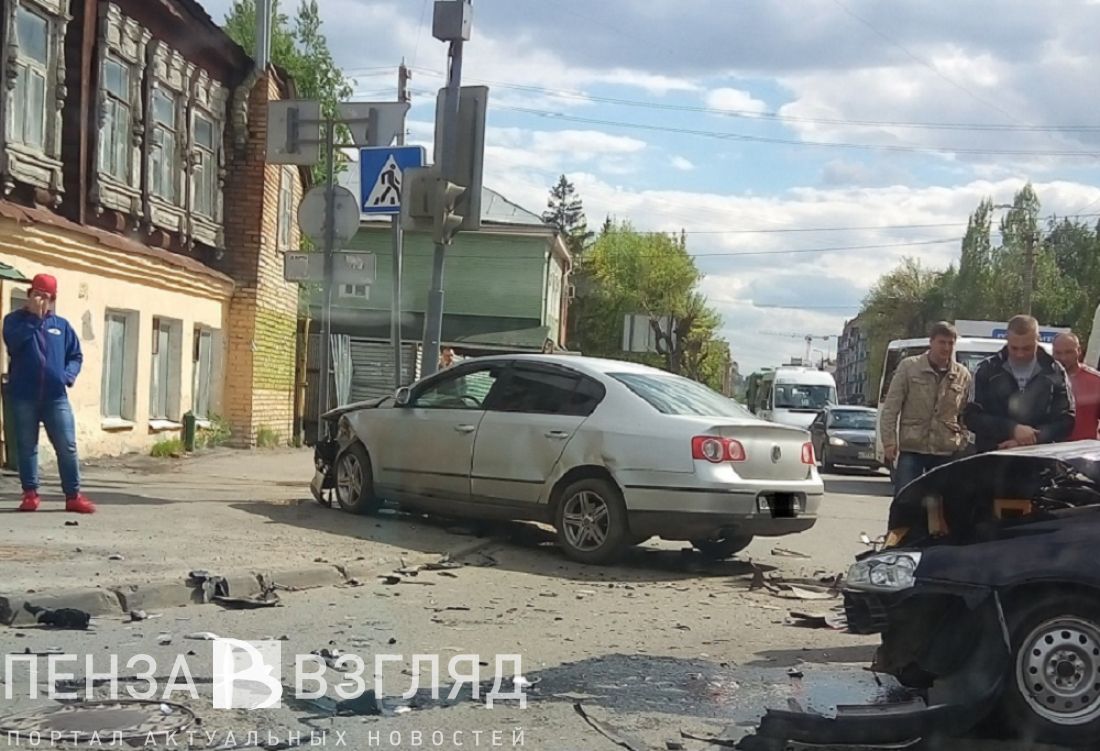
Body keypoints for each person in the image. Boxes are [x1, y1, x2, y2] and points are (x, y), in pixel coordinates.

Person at [2, 274, 95, 513]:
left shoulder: (61, 326)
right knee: (26, 445)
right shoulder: (14, 321)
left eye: (45, 296)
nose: (40, 300)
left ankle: (73, 495)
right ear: (29, 295)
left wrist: (67, 376)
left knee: (67, 445)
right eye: (36, 295)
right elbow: (13, 343)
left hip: (56, 397)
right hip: (23, 395)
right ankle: (30, 494)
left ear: (53, 299)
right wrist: (34, 319)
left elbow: (75, 355)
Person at [879, 321, 972, 491]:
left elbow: (965, 413)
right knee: (905, 501)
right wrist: (889, 442)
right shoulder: (909, 367)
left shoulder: (962, 375)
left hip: (945, 450)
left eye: (950, 343)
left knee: (941, 505)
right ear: (931, 342)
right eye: (942, 342)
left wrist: (962, 442)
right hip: (913, 448)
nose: (946, 347)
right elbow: (891, 408)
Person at [964, 314, 1075, 453]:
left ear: (1038, 340)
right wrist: (1011, 429)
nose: (1020, 354)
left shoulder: (1054, 370)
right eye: (1014, 348)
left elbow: (1067, 420)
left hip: (1040, 457)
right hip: (994, 456)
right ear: (1006, 340)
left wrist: (1031, 438)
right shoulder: (987, 369)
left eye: (1027, 348)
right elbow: (971, 417)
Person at [1052, 332, 1100, 441]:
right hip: (1049, 449)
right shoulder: (1042, 379)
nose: (1063, 357)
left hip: (1083, 451)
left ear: (1078, 351)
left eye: (1069, 352)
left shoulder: (1096, 381)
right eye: (1058, 353)